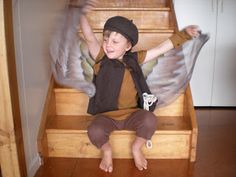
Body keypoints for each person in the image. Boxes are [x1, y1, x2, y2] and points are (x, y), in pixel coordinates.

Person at [78, 0, 200, 173]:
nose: (108, 45)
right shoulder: (100, 58)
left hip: (132, 114)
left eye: (115, 41)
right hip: (106, 116)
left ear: (127, 46)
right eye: (106, 40)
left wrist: (184, 35)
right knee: (94, 130)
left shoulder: (135, 59)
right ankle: (106, 150)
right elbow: (89, 36)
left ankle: (137, 148)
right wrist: (82, 14)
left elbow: (160, 48)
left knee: (150, 119)